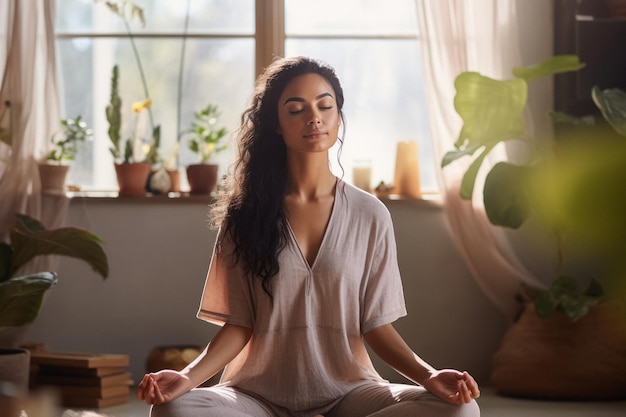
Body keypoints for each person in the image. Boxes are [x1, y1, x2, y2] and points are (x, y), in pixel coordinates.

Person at [137, 56, 481, 417]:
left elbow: (376, 326)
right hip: (256, 397)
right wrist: (187, 378)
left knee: (461, 411)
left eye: (324, 105)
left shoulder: (370, 214)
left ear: (337, 117)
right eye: (296, 109)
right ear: (275, 124)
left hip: (350, 394)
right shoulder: (245, 214)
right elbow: (239, 325)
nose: (313, 117)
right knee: (172, 411)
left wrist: (429, 376)